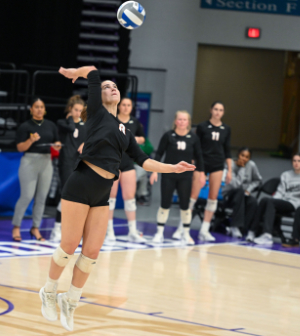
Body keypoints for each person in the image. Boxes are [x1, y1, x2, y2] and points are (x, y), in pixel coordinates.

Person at [39, 66, 195, 332]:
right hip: (80, 183)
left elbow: (144, 161)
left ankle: (70, 300)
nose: (112, 87)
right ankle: (49, 290)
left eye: (115, 86)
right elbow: (93, 72)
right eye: (107, 86)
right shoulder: (98, 112)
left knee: (90, 254)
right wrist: (75, 72)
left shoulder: (125, 130)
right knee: (68, 247)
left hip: (101, 192)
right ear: (99, 96)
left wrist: (173, 167)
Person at [173, 101, 232, 242]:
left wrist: (229, 170)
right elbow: (195, 146)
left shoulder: (226, 129)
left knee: (213, 198)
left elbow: (227, 150)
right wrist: (192, 163)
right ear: (211, 110)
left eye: (221, 110)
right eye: (216, 109)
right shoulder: (202, 127)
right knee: (193, 197)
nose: (218, 112)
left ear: (223, 112)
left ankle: (204, 230)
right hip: (201, 164)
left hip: (217, 165)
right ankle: (182, 228)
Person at [150, 111, 205, 245]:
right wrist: (154, 170)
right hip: (168, 175)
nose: (181, 122)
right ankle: (159, 233)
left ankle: (186, 234)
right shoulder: (168, 136)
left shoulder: (193, 138)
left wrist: (202, 173)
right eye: (179, 119)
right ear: (175, 121)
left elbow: (199, 156)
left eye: (184, 120)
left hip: (185, 177)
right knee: (165, 203)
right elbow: (159, 154)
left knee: (185, 206)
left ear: (188, 122)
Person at [12, 98, 61, 242]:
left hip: (46, 161)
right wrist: (31, 140)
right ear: (31, 109)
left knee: (41, 197)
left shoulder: (51, 125)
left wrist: (57, 145)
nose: (39, 109)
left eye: (42, 107)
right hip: (29, 161)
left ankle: (35, 228)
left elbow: (56, 140)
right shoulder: (25, 126)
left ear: (44, 109)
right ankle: (16, 226)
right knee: (26, 196)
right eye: (36, 107)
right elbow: (20, 148)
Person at [106, 97, 146, 243]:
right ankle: (109, 231)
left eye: (129, 105)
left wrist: (132, 139)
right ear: (119, 106)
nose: (126, 107)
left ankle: (133, 231)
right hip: (113, 162)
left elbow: (143, 139)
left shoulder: (135, 122)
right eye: (123, 104)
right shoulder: (112, 120)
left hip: (128, 163)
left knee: (130, 197)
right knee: (111, 197)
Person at [50, 95, 86, 242]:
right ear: (70, 109)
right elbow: (71, 128)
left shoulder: (85, 125)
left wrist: (86, 144)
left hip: (79, 163)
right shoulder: (62, 123)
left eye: (80, 110)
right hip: (66, 163)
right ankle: (56, 228)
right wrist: (70, 118)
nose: (78, 113)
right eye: (76, 110)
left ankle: (73, 229)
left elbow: (91, 138)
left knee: (79, 197)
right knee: (66, 195)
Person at [253, 153, 300, 245]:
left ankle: (267, 235)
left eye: (299, 161)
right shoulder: (285, 175)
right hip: (284, 201)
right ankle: (253, 231)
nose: (296, 163)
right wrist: (274, 200)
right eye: (294, 161)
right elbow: (280, 192)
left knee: (271, 202)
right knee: (266, 201)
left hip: (295, 204)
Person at [221, 147, 262, 239]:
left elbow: (258, 180)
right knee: (239, 191)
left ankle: (243, 229)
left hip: (243, 195)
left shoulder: (251, 165)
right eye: (242, 155)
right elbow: (236, 185)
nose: (244, 158)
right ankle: (234, 226)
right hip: (229, 195)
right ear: (238, 154)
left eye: (247, 157)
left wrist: (249, 190)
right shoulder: (230, 164)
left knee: (253, 201)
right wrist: (242, 168)